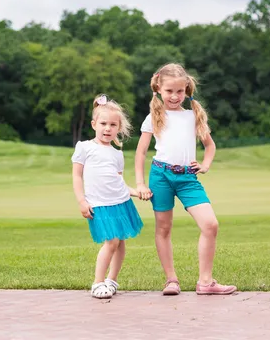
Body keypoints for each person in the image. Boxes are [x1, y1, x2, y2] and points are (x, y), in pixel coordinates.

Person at [134, 63, 237, 296]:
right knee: (163, 228)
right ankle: (171, 280)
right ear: (159, 89)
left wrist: (205, 164)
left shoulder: (194, 116)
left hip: (188, 178)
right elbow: (140, 153)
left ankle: (206, 282)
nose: (175, 96)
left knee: (210, 225)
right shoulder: (153, 117)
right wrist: (140, 183)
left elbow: (210, 146)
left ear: (187, 89)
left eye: (180, 91)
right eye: (169, 91)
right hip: (160, 175)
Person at [72, 94, 146, 299]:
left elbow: (119, 182)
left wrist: (136, 192)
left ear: (118, 127)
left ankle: (111, 280)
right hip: (99, 204)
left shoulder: (117, 153)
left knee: (120, 242)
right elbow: (77, 176)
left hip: (120, 203)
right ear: (94, 124)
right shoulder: (85, 147)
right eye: (103, 123)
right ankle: (97, 283)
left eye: (113, 124)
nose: (107, 128)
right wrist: (81, 201)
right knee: (111, 242)